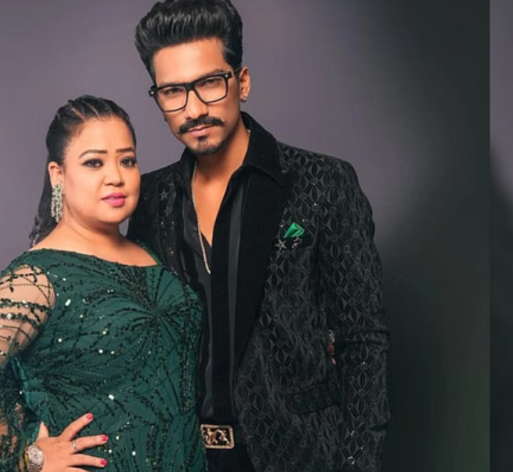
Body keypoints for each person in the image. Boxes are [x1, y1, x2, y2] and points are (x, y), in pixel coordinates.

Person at [127, 1, 390, 471]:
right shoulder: (148, 199)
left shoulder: (321, 183)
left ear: (242, 82)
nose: (194, 109)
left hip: (298, 453)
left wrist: (356, 463)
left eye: (210, 83)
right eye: (173, 92)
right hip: (184, 457)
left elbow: (363, 340)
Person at [0, 95, 207, 472]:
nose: (116, 176)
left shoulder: (150, 250)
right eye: (94, 162)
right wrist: (28, 457)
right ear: (58, 174)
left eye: (127, 160)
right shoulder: (37, 277)